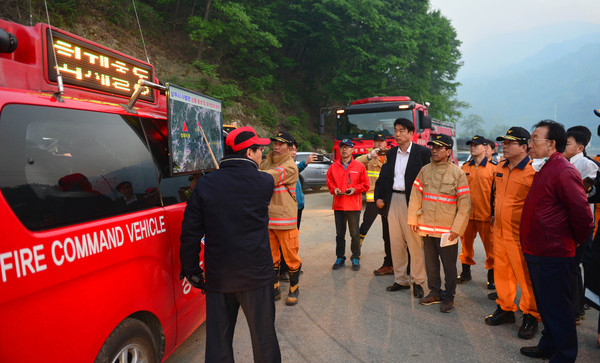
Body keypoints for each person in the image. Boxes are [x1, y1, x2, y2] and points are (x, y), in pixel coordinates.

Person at [180, 126, 281, 363]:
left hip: (219, 275)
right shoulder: (264, 182)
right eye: (259, 151)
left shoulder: (205, 184)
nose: (261, 155)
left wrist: (191, 270)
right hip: (256, 275)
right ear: (248, 153)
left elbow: (190, 232)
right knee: (264, 339)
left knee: (218, 342)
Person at [519, 120, 593, 362]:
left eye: (534, 139)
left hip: (554, 252)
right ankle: (549, 344)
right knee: (546, 305)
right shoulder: (546, 168)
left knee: (558, 309)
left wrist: (573, 243)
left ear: (551, 144)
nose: (529, 144)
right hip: (538, 250)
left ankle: (564, 354)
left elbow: (583, 216)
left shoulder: (564, 171)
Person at [484, 127, 540, 340]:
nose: (504, 146)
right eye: (504, 142)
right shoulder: (500, 168)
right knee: (502, 273)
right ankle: (506, 308)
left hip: (520, 235)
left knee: (525, 278)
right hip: (499, 231)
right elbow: (494, 195)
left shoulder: (533, 172)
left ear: (524, 147)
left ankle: (530, 315)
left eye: (510, 143)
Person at [407, 134, 471, 313]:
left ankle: (448, 296)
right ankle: (434, 292)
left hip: (447, 231)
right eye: (432, 147)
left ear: (449, 151)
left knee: (449, 266)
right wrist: (413, 219)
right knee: (430, 263)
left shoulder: (457, 174)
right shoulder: (425, 170)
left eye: (439, 147)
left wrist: (457, 229)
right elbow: (415, 196)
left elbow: (465, 205)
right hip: (426, 227)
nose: (434, 150)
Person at [374, 118, 430, 298]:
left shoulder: (422, 153)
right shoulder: (390, 154)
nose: (397, 134)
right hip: (393, 201)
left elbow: (428, 180)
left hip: (412, 202)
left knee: (414, 244)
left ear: (411, 133)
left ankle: (419, 281)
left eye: (402, 130)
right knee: (396, 243)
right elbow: (383, 177)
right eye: (396, 130)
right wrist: (379, 197)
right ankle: (400, 279)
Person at [260, 131, 302, 306]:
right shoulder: (266, 161)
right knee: (271, 256)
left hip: (285, 220)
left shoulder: (291, 166)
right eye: (275, 143)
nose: (276, 147)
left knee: (291, 256)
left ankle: (294, 286)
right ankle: (274, 285)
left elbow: (270, 176)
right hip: (267, 219)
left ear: (290, 148)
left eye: (281, 144)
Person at [563, 126, 598, 324]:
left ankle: (576, 310)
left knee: (574, 266)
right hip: (567, 222)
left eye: (567, 144)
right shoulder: (564, 162)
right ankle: (575, 307)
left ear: (580, 147)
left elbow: (588, 193)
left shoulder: (587, 164)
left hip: (581, 223)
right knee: (570, 266)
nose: (564, 147)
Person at [458, 136, 496, 290]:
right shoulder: (464, 168)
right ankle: (466, 273)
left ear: (485, 148)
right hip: (467, 215)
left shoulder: (494, 168)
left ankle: (491, 277)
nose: (472, 148)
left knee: (491, 247)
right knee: (465, 245)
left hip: (486, 215)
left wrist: (494, 212)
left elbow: (496, 193)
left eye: (476, 145)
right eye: (471, 145)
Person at [326, 138, 369, 271]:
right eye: (342, 147)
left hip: (353, 206)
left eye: (347, 147)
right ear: (340, 149)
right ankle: (340, 257)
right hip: (338, 205)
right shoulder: (333, 167)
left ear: (352, 149)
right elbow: (329, 182)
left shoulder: (359, 166)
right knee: (340, 234)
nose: (344, 149)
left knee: (354, 234)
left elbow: (365, 185)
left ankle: (355, 257)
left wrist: (355, 189)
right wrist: (334, 190)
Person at [355, 133, 393, 276]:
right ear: (373, 144)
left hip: (388, 199)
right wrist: (370, 156)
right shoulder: (368, 157)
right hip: (372, 198)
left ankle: (391, 260)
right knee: (365, 226)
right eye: (376, 142)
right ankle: (356, 253)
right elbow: (357, 162)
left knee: (388, 232)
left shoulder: (391, 156)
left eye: (381, 142)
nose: (379, 145)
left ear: (385, 143)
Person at [279, 142, 316, 282]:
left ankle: (291, 266)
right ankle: (283, 270)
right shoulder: (286, 166)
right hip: (289, 209)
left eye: (295, 150)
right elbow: (295, 169)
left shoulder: (292, 164)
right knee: (286, 240)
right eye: (291, 149)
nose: (293, 152)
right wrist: (305, 163)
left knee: (293, 240)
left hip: (298, 207)